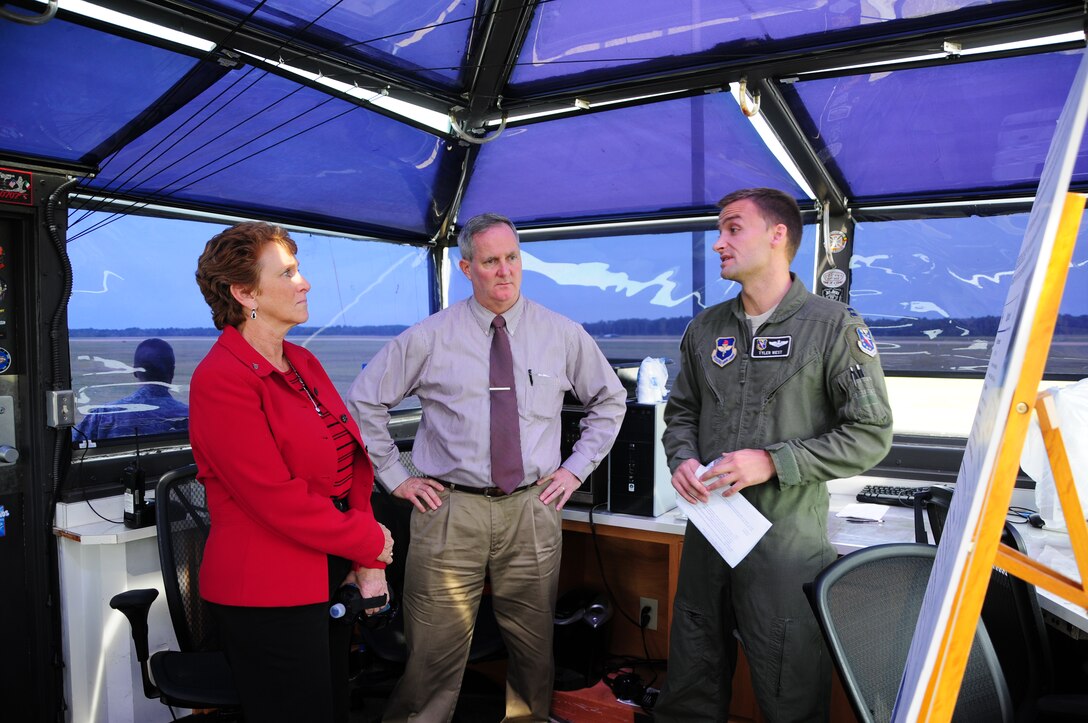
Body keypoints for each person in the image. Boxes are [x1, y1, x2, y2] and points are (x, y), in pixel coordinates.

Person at [348, 212, 627, 722]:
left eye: (513, 258)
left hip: (532, 509)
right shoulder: (430, 337)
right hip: (451, 511)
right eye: (491, 261)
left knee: (533, 649)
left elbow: (610, 402)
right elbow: (364, 402)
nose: (505, 271)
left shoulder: (562, 334)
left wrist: (575, 470)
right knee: (433, 653)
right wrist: (397, 475)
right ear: (466, 267)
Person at [654, 188, 893, 722]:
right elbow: (681, 413)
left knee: (791, 694)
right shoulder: (705, 329)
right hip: (709, 533)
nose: (718, 243)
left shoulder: (835, 328)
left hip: (783, 546)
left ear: (778, 234)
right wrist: (682, 460)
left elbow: (871, 434)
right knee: (690, 681)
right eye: (720, 230)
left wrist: (773, 461)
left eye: (733, 228)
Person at [190, 221, 394, 723]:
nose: (304, 283)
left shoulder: (302, 360)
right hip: (265, 589)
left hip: (325, 567)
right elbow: (273, 497)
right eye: (287, 273)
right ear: (244, 292)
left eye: (298, 270)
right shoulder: (219, 380)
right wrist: (367, 542)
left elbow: (351, 465)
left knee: (332, 709)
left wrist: (363, 556)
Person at [72, 337, 189, 442]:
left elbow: (69, 444)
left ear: (135, 372)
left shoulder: (104, 416)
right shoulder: (189, 417)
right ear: (172, 371)